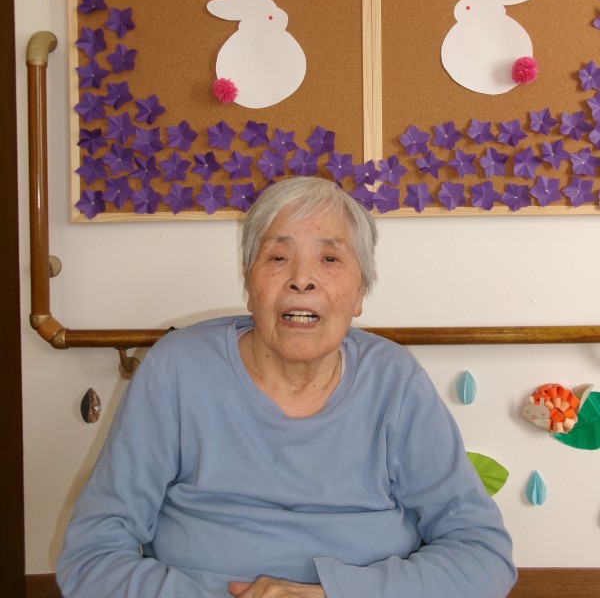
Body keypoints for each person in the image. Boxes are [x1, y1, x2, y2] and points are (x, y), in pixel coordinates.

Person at [56, 176, 517, 598]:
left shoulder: (395, 379)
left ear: (360, 292)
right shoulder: (177, 369)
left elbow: (482, 553)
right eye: (278, 257)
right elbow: (92, 555)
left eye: (329, 258)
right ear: (248, 280)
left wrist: (334, 594)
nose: (301, 279)